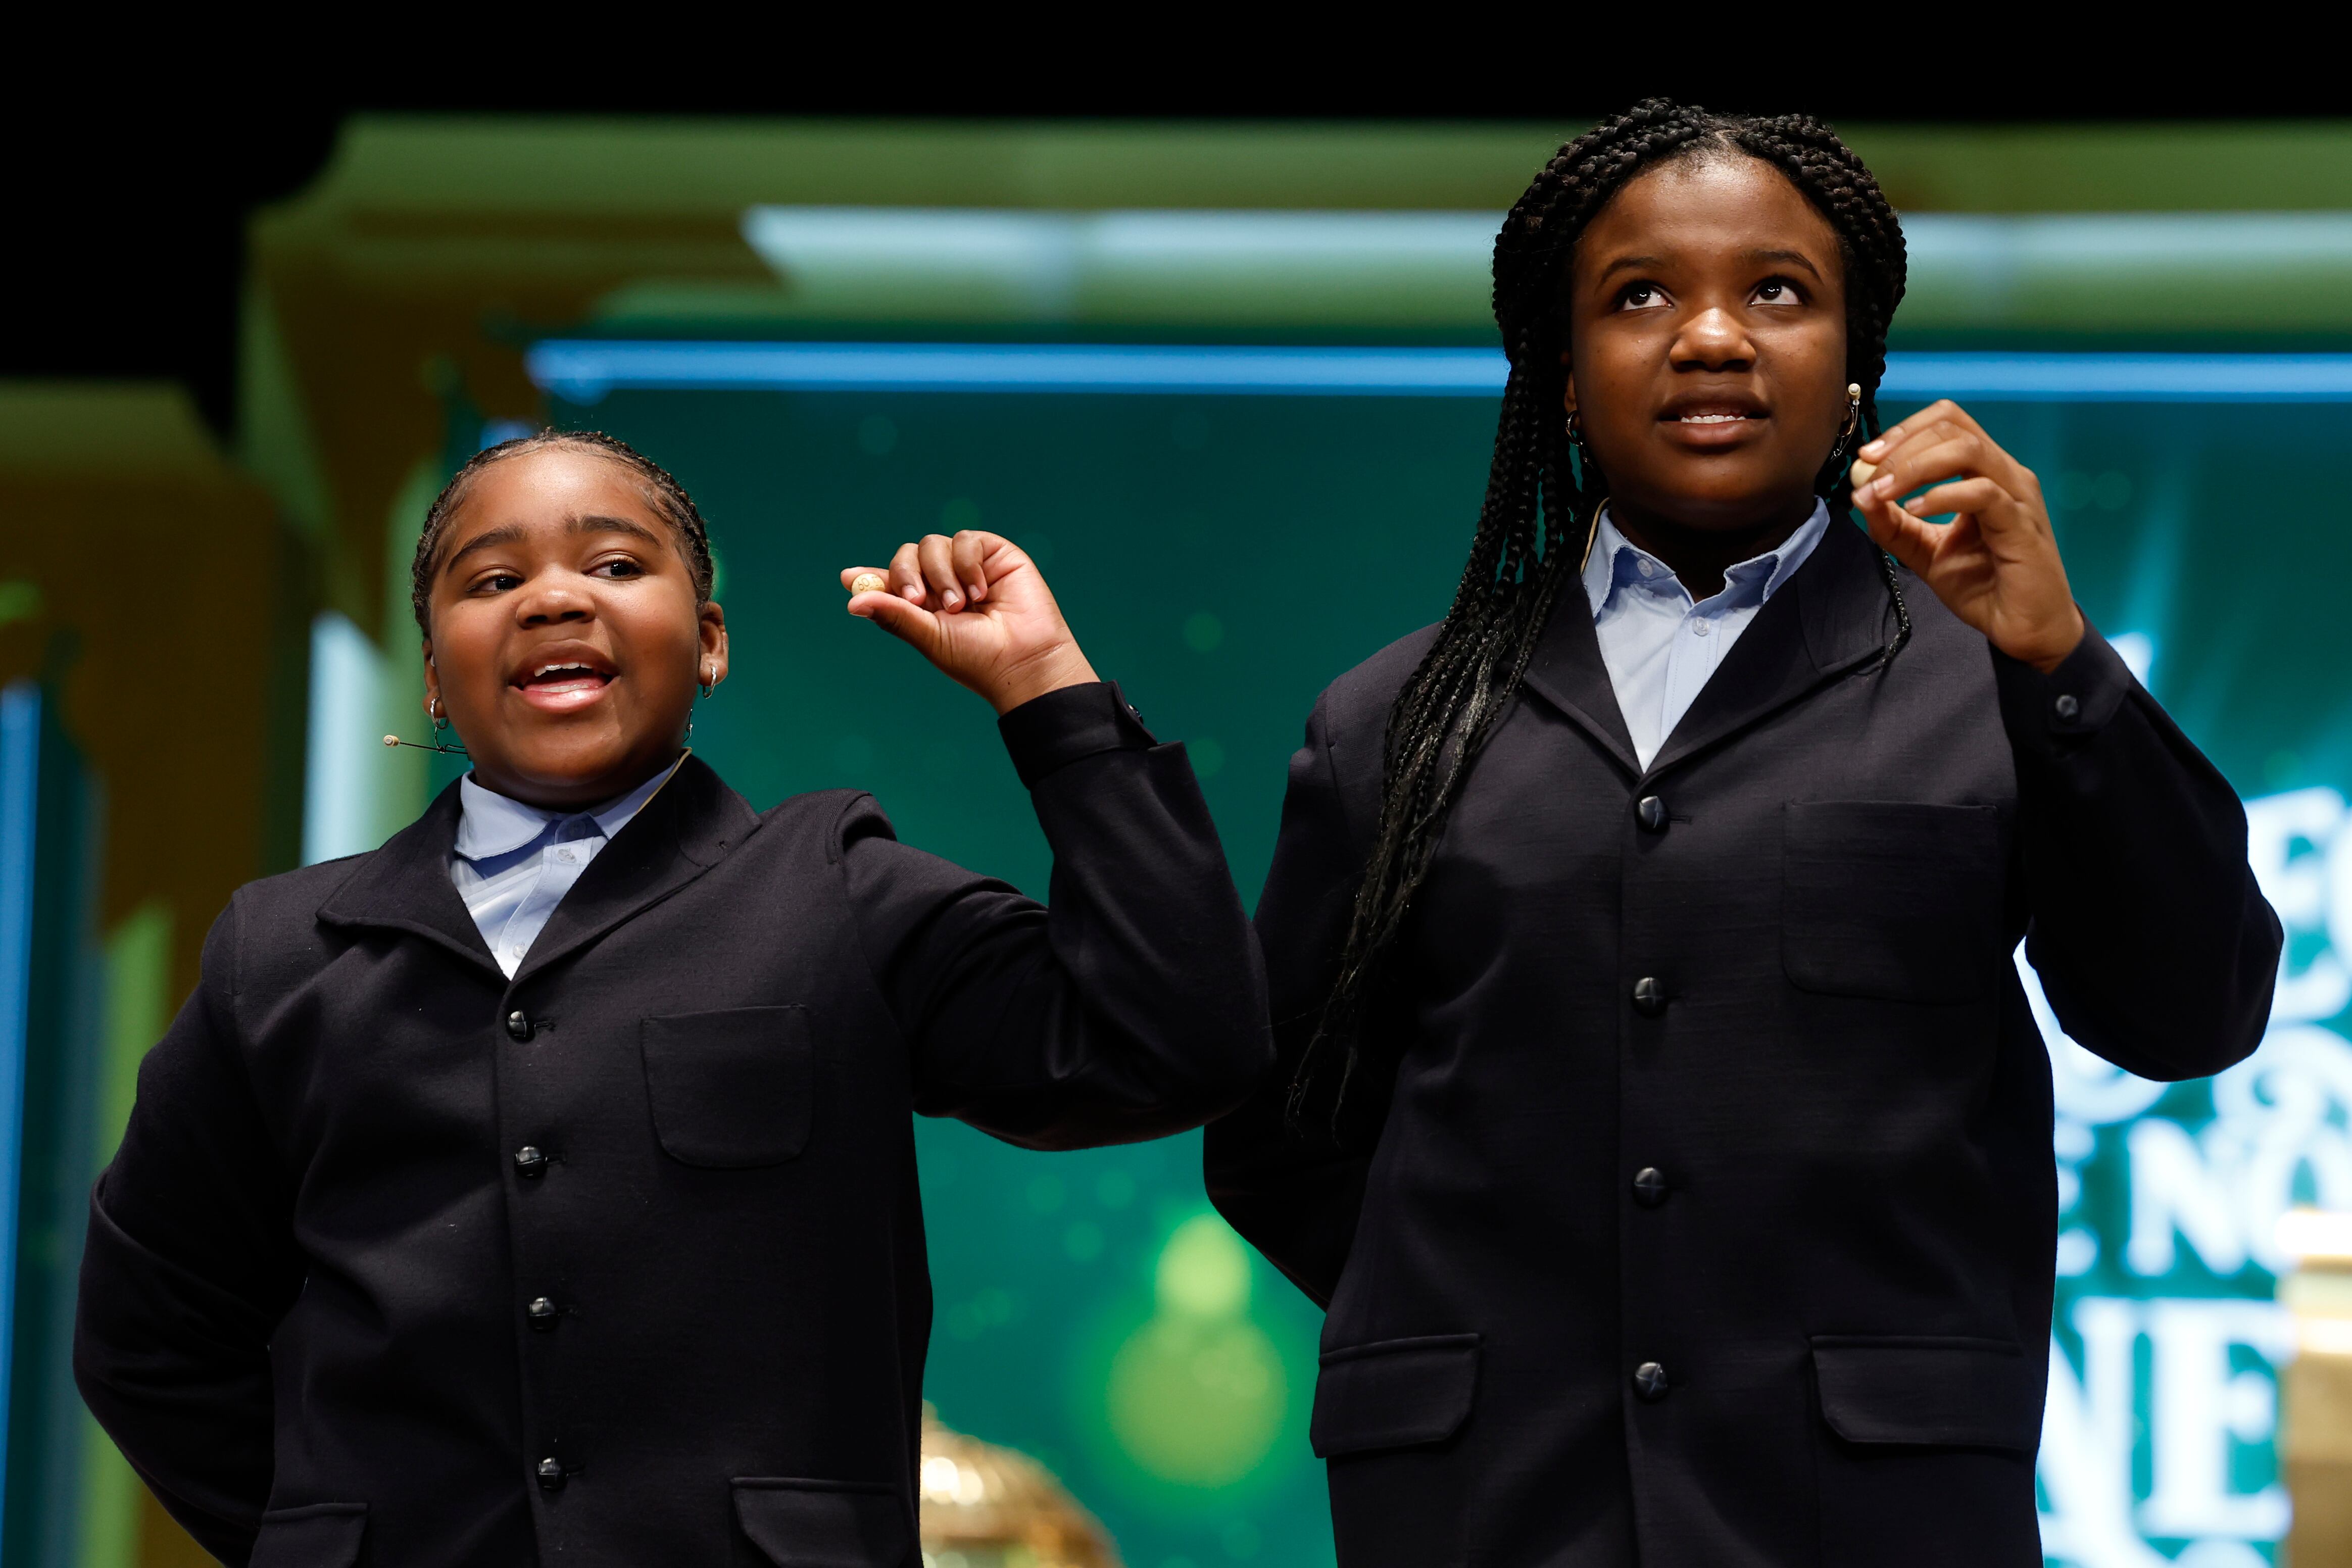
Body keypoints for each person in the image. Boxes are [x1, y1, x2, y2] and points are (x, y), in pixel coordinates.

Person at [1203, 101, 2281, 1567]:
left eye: (1779, 292)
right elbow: (1281, 1134)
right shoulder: (1388, 718)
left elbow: (2192, 1013)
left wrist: (2062, 668)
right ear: (1563, 374)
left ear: (1854, 373)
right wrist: (1482, 1340)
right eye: (1638, 296)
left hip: (1874, 1514)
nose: (1711, 337)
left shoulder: (2000, 684)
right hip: (1487, 1512)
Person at [75, 430, 1267, 1566]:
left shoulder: (838, 889)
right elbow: (149, 1334)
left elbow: (1175, 1040)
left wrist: (1047, 691)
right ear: (433, 673)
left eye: (613, 563)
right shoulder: (282, 953)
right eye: (491, 578)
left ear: (708, 642)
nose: (553, 597)